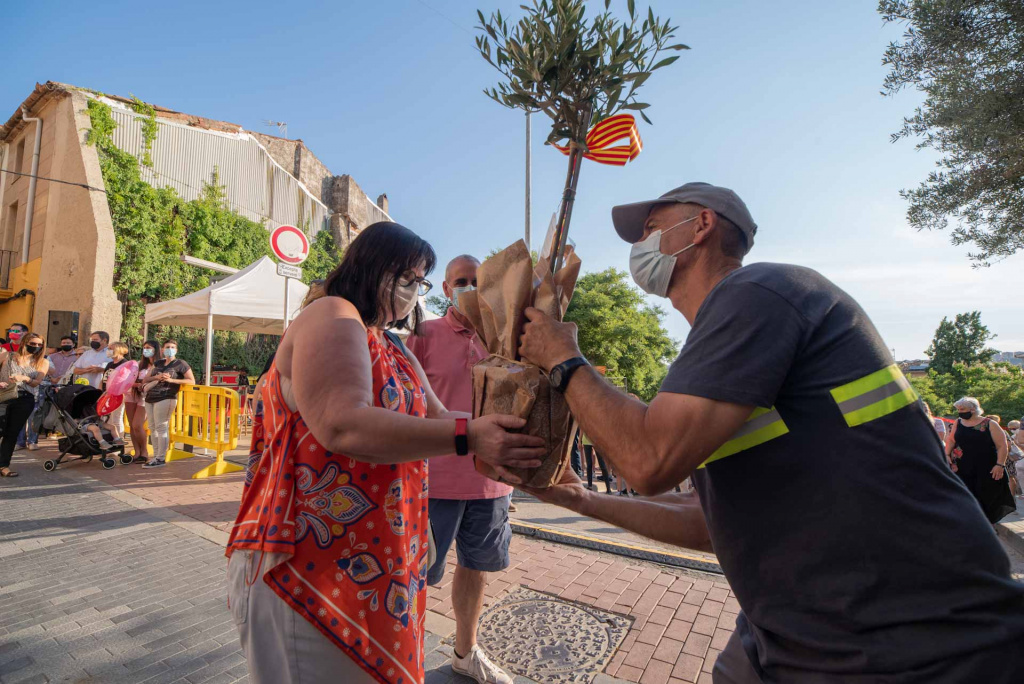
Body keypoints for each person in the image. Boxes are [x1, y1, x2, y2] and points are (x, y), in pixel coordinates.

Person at [518, 182, 1024, 682]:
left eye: (651, 229)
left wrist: (563, 359)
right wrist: (580, 500)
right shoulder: (727, 350)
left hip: (910, 640)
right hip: (800, 637)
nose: (638, 247)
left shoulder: (756, 292)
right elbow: (712, 521)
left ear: (701, 226)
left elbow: (649, 459)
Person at [225, 222, 544, 684]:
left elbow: (436, 415)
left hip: (375, 559)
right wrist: (469, 437)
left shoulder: (390, 344)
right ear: (372, 267)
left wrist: (508, 426)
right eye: (408, 277)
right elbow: (342, 423)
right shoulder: (330, 314)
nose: (415, 290)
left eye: (421, 281)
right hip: (308, 560)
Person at [406, 254, 515, 684]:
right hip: (434, 481)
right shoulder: (423, 334)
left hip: (492, 483)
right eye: (461, 281)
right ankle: (404, 655)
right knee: (415, 575)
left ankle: (465, 653)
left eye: (477, 281)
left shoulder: (503, 338)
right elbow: (405, 403)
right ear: (447, 289)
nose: (470, 287)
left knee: (477, 568)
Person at [945, 397, 1015, 523]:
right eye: (958, 409)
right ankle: (971, 525)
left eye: (963, 409)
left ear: (973, 409)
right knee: (965, 497)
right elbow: (951, 440)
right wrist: (946, 455)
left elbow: (1002, 445)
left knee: (986, 498)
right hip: (962, 468)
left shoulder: (990, 424)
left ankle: (986, 526)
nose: (960, 412)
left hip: (986, 468)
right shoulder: (958, 422)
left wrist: (1000, 464)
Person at [0, 333, 51, 478]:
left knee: (11, 434)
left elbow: (36, 383)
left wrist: (25, 378)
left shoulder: (42, 362)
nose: (35, 347)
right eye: (33, 343)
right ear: (24, 342)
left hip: (24, 399)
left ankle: (3, 465)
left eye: (39, 345)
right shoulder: (7, 356)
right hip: (3, 396)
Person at [140, 340, 194, 469]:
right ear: (162, 350)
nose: (170, 349)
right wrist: (156, 377)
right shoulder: (158, 363)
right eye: (167, 347)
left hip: (166, 396)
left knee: (161, 427)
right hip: (150, 397)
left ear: (176, 350)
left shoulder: (181, 363)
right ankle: (156, 456)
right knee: (152, 427)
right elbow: (146, 379)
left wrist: (172, 380)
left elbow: (191, 381)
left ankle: (160, 457)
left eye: (172, 347)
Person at [126, 340, 159, 464]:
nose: (146, 350)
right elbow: (129, 379)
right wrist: (137, 384)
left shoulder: (159, 365)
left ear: (155, 349)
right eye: (144, 348)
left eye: (149, 348)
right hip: (131, 394)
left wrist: (145, 384)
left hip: (146, 397)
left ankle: (144, 451)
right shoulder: (139, 364)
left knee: (137, 425)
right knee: (132, 426)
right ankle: (137, 452)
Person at [101, 341, 131, 440]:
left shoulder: (125, 364)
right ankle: (110, 439)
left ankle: (119, 441)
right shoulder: (109, 364)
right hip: (106, 394)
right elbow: (104, 379)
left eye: (111, 348)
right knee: (108, 420)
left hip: (117, 395)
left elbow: (124, 381)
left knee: (116, 418)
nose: (108, 351)